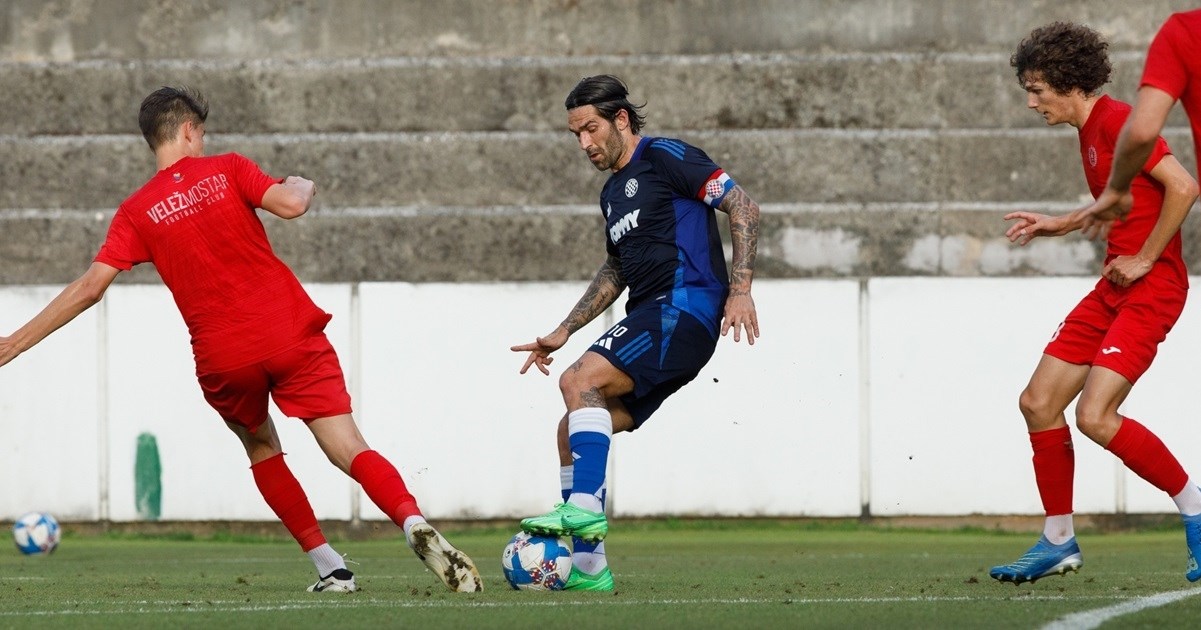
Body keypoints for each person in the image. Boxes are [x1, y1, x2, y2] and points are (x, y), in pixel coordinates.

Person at [0, 86, 482, 594]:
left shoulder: (136, 211)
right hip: (288, 328)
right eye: (201, 134)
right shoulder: (227, 168)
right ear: (189, 130)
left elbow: (90, 288)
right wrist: (302, 181)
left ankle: (330, 569)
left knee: (260, 445)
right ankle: (411, 522)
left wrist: (13, 343)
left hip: (223, 354)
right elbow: (292, 205)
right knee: (346, 444)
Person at [510, 75, 761, 591]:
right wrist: (563, 330)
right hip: (656, 315)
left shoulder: (667, 156)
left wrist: (740, 289)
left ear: (620, 119)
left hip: (684, 307)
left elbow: (743, 205)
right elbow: (616, 270)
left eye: (591, 129)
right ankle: (589, 570)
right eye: (575, 134)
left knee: (578, 381)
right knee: (570, 429)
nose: (585, 143)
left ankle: (581, 510)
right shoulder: (612, 196)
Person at [994, 23, 1201, 585]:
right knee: (1038, 402)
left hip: (1151, 288)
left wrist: (1146, 259)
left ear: (1068, 83)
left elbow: (1183, 187)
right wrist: (1059, 223)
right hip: (1114, 287)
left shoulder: (1115, 120)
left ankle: (1194, 506)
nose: (1032, 102)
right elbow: (1126, 204)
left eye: (1038, 90)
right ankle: (1058, 539)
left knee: (1094, 416)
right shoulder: (1088, 131)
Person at [1071, 9, 1201, 229]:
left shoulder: (1185, 30)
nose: (1031, 103)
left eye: (1036, 90)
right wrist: (1064, 222)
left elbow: (1142, 132)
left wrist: (1116, 188)